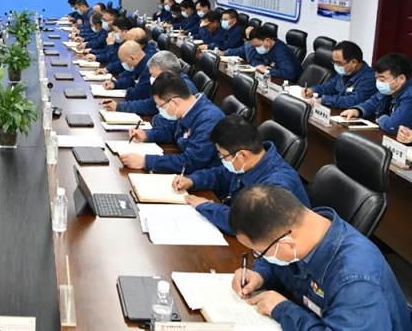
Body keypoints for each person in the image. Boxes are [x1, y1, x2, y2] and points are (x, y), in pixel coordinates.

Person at [229, 185, 410, 331]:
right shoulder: (305, 229)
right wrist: (261, 274)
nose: (259, 257)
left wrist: (283, 309)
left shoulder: (355, 280)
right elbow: (281, 264)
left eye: (259, 252)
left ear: (287, 244)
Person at [173, 116, 309, 235]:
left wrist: (205, 206)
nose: (221, 159)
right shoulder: (248, 162)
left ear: (243, 155)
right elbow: (220, 175)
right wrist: (192, 180)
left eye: (222, 155)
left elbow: (247, 224)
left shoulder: (277, 185)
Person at [124, 71, 224, 174]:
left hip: (203, 177)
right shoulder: (188, 109)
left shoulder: (209, 120)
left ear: (175, 102)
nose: (159, 109)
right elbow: (172, 130)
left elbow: (190, 162)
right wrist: (147, 135)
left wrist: (146, 162)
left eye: (161, 106)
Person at [105, 50, 196, 115]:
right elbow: (151, 105)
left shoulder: (182, 87)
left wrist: (119, 106)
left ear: (168, 73)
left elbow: (151, 107)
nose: (152, 79)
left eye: (153, 75)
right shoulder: (168, 83)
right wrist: (119, 106)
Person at [340, 53, 412, 134]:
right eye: (376, 78)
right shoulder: (391, 89)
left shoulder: (409, 96)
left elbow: (392, 126)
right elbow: (373, 102)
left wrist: (381, 118)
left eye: (382, 79)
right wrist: (357, 110)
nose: (378, 83)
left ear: (401, 79)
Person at [302, 41, 376, 108]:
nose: (336, 66)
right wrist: (313, 90)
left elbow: (353, 101)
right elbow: (330, 86)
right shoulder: (346, 71)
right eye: (334, 62)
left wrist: (324, 100)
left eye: (338, 63)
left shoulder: (369, 78)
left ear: (353, 63)